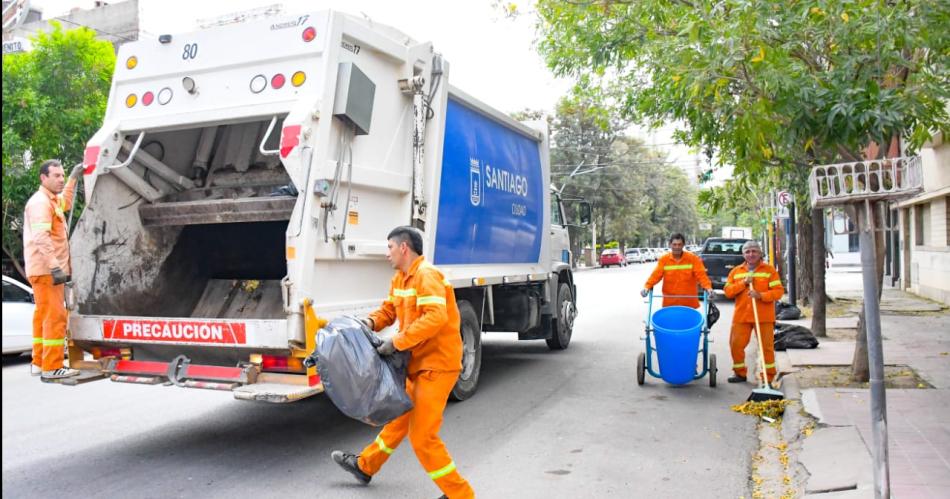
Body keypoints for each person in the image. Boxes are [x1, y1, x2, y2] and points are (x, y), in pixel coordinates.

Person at [331, 226, 474, 499]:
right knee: (398, 418)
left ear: (404, 247)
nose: (387, 254)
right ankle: (365, 466)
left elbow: (435, 317)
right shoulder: (400, 279)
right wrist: (368, 323)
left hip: (438, 365)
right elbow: (388, 311)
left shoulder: (426, 275)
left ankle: (461, 495)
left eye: (389, 248)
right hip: (416, 364)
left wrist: (396, 342)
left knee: (422, 438)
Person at [23, 159, 83, 380]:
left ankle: (39, 362)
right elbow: (41, 237)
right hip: (47, 271)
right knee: (55, 317)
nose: (60, 179)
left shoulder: (51, 200)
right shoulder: (40, 203)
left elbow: (65, 203)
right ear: (43, 178)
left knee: (42, 316)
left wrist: (73, 178)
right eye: (56, 176)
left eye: (62, 175)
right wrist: (55, 267)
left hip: (43, 270)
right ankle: (52, 366)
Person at [723, 240, 785, 383]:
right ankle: (739, 373)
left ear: (759, 253)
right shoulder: (736, 272)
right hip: (742, 316)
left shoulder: (769, 271)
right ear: (743, 254)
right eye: (747, 252)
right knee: (736, 345)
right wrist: (743, 283)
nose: (751, 254)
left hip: (763, 316)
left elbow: (778, 292)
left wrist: (761, 295)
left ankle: (768, 377)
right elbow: (728, 292)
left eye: (754, 251)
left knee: (766, 348)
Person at [640, 233, 713, 308]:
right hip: (670, 303)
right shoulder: (664, 260)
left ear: (683, 245)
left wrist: (708, 288)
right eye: (674, 244)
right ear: (670, 245)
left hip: (689, 303)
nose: (677, 247)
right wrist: (647, 287)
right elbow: (655, 276)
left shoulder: (693, 259)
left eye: (679, 244)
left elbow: (701, 275)